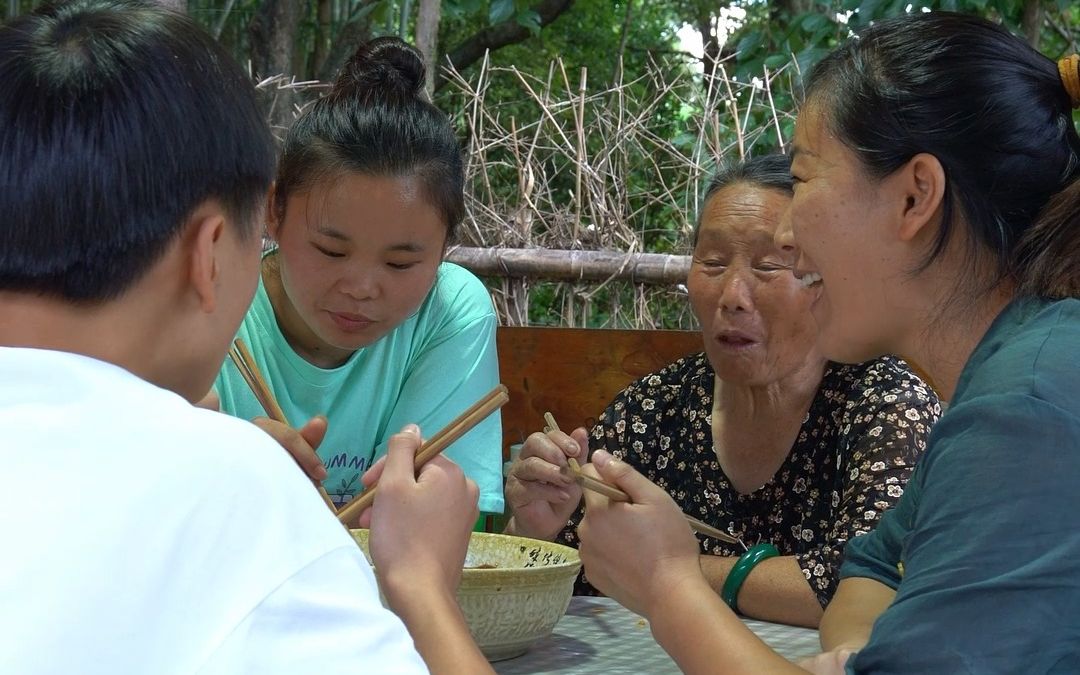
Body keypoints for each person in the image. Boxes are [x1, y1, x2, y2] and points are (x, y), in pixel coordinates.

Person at [573, 12, 1080, 674]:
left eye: (805, 177)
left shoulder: (1027, 409)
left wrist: (669, 583)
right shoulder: (1006, 376)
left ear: (914, 197)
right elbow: (871, 565)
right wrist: (861, 655)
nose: (786, 234)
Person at [0, 2, 493, 673]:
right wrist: (420, 586)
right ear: (214, 249)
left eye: (402, 261)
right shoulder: (232, 490)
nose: (361, 287)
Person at [505, 155, 941, 627]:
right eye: (711, 263)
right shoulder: (657, 406)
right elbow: (585, 566)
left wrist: (669, 570)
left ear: (826, 278)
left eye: (769, 265)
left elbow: (871, 585)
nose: (732, 295)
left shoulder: (884, 404)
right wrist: (536, 532)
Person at [211, 37, 503, 519]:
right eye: (331, 250)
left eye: (401, 263)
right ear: (273, 213)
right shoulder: (213, 299)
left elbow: (431, 523)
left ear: (446, 246)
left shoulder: (449, 311)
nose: (362, 288)